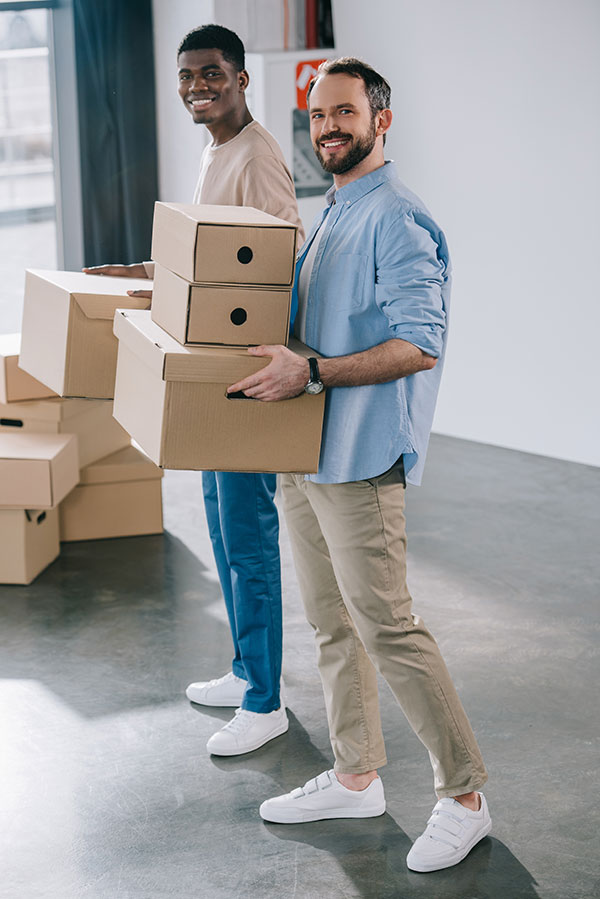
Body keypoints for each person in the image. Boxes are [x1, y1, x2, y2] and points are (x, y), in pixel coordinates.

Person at [227, 57, 491, 873]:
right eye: (317, 115)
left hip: (359, 458)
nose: (327, 127)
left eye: (343, 111)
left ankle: (466, 797)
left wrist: (310, 372)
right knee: (331, 622)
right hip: (305, 454)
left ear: (381, 119)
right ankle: (355, 774)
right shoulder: (334, 209)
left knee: (387, 628)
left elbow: (419, 342)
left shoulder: (398, 218)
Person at [84, 25, 304, 757]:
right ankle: (245, 670)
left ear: (240, 77)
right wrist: (146, 274)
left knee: (249, 538)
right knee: (221, 527)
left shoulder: (258, 155)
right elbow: (210, 252)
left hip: (243, 372)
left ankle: (266, 702)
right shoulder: (217, 149)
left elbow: (278, 256)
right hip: (213, 372)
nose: (196, 87)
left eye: (211, 73)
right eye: (186, 76)